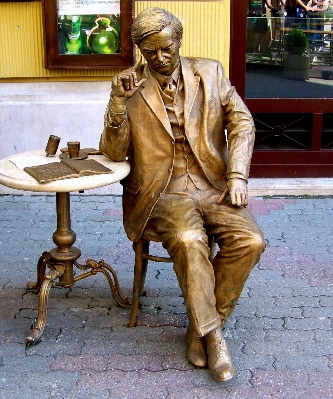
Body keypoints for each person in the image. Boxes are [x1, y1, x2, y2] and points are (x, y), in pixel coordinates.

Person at [99, 7, 266, 382]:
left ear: (179, 40)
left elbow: (242, 122)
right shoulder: (128, 85)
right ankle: (216, 339)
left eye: (166, 48)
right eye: (150, 51)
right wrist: (116, 105)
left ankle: (200, 328)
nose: (159, 58)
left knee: (251, 240)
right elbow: (112, 152)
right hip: (162, 193)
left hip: (212, 185)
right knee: (191, 240)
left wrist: (237, 176)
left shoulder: (209, 71)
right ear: (140, 50)